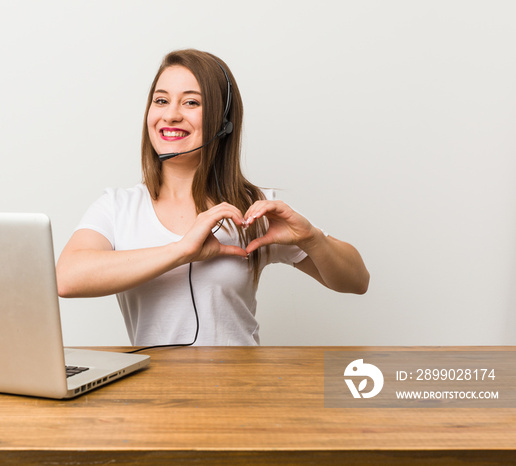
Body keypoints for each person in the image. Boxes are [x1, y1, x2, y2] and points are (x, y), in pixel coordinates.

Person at [56, 49, 369, 347]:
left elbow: (357, 281)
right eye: (161, 100)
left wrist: (311, 238)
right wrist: (181, 251)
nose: (171, 115)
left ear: (223, 122)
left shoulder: (254, 208)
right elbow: (67, 279)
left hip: (240, 390)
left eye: (191, 103)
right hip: (152, 394)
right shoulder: (117, 207)